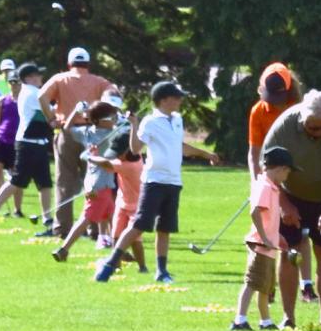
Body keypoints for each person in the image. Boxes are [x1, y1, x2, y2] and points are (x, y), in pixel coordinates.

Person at [95, 81, 220, 284]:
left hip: (173, 182)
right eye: (177, 97)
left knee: (165, 227)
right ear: (164, 100)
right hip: (154, 181)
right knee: (140, 225)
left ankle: (161, 271)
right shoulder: (150, 122)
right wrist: (135, 125)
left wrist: (206, 154)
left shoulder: (177, 119)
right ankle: (110, 263)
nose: (180, 100)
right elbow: (135, 149)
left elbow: (180, 146)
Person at [261, 89, 321, 328]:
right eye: (313, 128)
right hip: (291, 196)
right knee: (290, 254)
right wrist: (284, 205)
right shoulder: (286, 124)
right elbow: (267, 168)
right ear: (303, 120)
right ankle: (288, 317)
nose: (319, 133)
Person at [247, 62, 315, 302]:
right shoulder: (259, 111)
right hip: (271, 178)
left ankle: (306, 286)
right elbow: (254, 151)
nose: (273, 101)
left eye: (278, 95)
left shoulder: (299, 108)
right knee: (269, 234)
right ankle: (268, 285)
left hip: (294, 175)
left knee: (300, 232)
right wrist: (258, 181)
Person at [39, 47, 119, 238]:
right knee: (92, 182)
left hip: (67, 131)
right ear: (88, 64)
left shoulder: (60, 79)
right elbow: (114, 95)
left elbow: (41, 96)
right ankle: (92, 227)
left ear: (69, 64)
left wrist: (51, 118)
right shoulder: (99, 82)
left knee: (64, 181)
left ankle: (62, 228)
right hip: (94, 134)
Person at [0, 63, 55, 230]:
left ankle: (48, 219)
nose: (41, 78)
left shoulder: (30, 92)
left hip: (37, 142)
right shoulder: (33, 93)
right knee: (17, 181)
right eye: (37, 75)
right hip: (28, 144)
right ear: (28, 78)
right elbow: (51, 114)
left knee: (45, 183)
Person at [231, 146, 297, 331]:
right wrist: (265, 237)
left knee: (265, 287)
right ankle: (239, 319)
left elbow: (269, 218)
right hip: (261, 244)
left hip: (269, 244)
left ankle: (265, 321)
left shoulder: (272, 187)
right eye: (288, 172)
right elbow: (255, 211)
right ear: (280, 169)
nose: (287, 176)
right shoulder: (265, 186)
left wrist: (278, 236)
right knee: (252, 282)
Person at [52, 99, 121, 262]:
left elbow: (67, 128)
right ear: (101, 121)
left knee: (112, 217)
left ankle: (119, 251)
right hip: (100, 185)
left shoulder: (87, 131)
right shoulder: (110, 134)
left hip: (96, 182)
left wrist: (76, 112)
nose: (114, 120)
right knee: (86, 219)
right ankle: (64, 249)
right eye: (111, 117)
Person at [106, 130, 147, 268]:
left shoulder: (128, 166)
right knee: (115, 236)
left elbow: (105, 165)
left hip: (136, 207)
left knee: (135, 239)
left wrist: (90, 156)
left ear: (128, 151)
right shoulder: (137, 157)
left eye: (119, 153)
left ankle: (142, 267)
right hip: (122, 203)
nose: (116, 156)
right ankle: (115, 266)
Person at [0, 76, 24, 216]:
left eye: (17, 82)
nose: (14, 85)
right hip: (1, 140)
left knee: (17, 176)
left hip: (17, 141)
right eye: (11, 82)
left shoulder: (24, 100)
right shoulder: (2, 100)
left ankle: (17, 209)